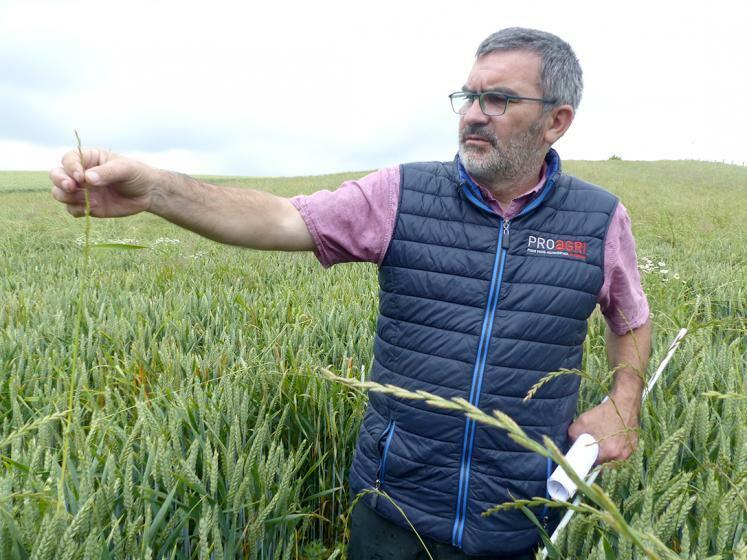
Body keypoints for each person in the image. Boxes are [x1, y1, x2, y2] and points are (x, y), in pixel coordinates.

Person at [50, 27, 650, 560]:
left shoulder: (598, 219)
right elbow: (281, 219)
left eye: (499, 99)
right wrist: (154, 191)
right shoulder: (402, 194)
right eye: (467, 96)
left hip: (520, 513)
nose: (473, 113)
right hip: (394, 505)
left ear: (556, 120)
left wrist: (624, 402)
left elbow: (630, 318)